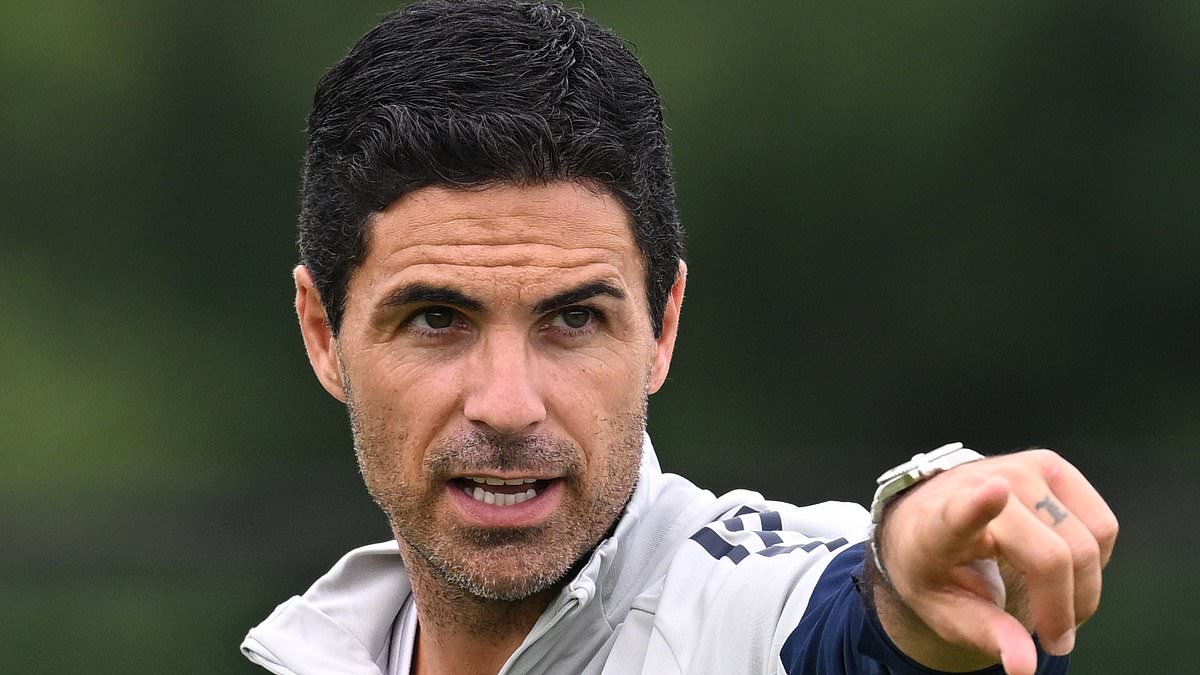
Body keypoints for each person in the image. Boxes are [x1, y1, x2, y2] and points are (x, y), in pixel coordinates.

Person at [241, 1, 1118, 673]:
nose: (508, 404)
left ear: (662, 326)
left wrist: (920, 579)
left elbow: (853, 632)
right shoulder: (319, 648)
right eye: (437, 319)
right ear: (324, 334)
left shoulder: (747, 614)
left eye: (574, 318)